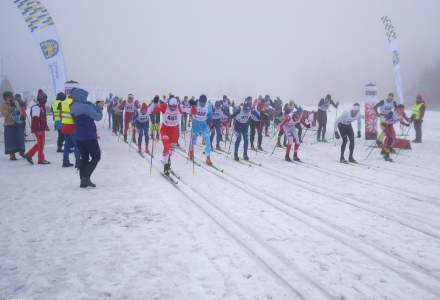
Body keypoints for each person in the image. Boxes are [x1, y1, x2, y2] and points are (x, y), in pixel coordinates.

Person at [70, 88, 103, 188]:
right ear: (80, 96)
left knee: (84, 157)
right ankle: (86, 177)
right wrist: (99, 107)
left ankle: (82, 181)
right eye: (84, 97)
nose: (85, 99)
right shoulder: (85, 107)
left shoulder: (72, 106)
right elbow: (98, 117)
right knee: (96, 156)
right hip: (88, 135)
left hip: (78, 136)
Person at [152, 97, 182, 175]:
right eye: (171, 106)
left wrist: (194, 106)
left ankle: (168, 158)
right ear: (169, 104)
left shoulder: (179, 107)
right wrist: (155, 103)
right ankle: (166, 166)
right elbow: (156, 109)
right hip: (165, 129)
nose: (172, 108)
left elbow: (191, 111)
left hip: (174, 131)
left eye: (174, 106)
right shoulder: (165, 106)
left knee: (172, 150)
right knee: (166, 146)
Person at [24, 90, 50, 165]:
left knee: (42, 143)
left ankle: (41, 159)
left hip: (41, 128)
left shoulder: (41, 107)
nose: (45, 100)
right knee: (40, 143)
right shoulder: (37, 107)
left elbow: (42, 118)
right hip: (38, 128)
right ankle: (29, 154)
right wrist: (38, 129)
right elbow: (35, 119)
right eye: (45, 99)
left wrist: (45, 126)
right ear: (41, 99)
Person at [230, 97, 260, 161]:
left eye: (247, 110)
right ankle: (235, 154)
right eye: (245, 109)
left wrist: (260, 118)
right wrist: (229, 119)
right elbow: (232, 115)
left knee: (246, 140)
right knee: (238, 138)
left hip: (245, 125)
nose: (246, 111)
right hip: (238, 125)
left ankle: (245, 154)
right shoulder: (239, 109)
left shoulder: (251, 109)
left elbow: (257, 115)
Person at [188, 94, 213, 165]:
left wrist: (211, 124)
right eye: (201, 102)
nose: (202, 104)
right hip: (196, 124)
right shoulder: (196, 104)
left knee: (207, 140)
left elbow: (210, 115)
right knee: (193, 140)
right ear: (199, 101)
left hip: (204, 125)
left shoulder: (209, 106)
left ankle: (208, 157)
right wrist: (191, 103)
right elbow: (190, 105)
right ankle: (191, 151)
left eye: (204, 102)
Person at [1, 91, 26, 160]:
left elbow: (19, 111)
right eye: (9, 96)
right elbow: (4, 114)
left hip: (17, 123)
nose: (11, 98)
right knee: (10, 140)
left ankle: (22, 152)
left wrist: (18, 112)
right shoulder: (3, 105)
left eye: (11, 96)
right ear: (6, 98)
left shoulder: (15, 102)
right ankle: (12, 155)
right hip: (9, 124)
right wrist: (11, 110)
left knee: (20, 138)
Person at [60, 88, 80, 168]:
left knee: (67, 145)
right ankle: (78, 161)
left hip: (64, 125)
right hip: (72, 126)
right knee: (77, 145)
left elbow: (61, 114)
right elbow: (75, 115)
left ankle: (65, 161)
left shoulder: (63, 102)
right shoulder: (73, 102)